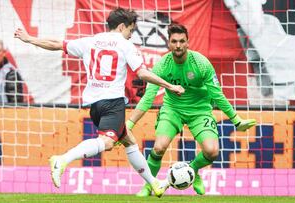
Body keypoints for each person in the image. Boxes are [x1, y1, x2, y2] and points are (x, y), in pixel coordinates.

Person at [14, 7, 184, 197]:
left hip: (95, 106)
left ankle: (155, 184)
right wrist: (170, 86)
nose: (130, 35)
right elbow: (142, 73)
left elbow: (56, 44)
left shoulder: (90, 41)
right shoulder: (125, 45)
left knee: (128, 140)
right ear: (121, 27)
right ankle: (62, 160)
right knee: (108, 142)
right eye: (130, 30)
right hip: (113, 103)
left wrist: (30, 39)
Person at [126, 23, 256, 196]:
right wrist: (129, 124)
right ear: (169, 43)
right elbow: (148, 98)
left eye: (182, 41)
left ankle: (192, 171)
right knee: (158, 148)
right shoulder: (162, 66)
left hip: (200, 111)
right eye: (174, 41)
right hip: (172, 109)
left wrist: (236, 120)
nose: (178, 45)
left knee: (212, 151)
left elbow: (217, 95)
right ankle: (149, 186)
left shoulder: (201, 64)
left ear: (188, 42)